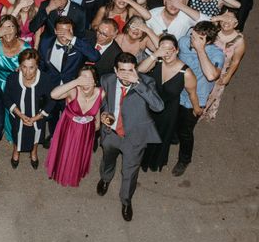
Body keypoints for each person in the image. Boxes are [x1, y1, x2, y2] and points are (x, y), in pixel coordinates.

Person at [96, 52, 164, 222]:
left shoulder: (146, 82)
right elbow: (102, 102)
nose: (126, 75)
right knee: (107, 159)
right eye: (122, 71)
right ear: (115, 70)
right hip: (111, 133)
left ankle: (126, 200)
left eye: (130, 70)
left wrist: (138, 83)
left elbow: (158, 107)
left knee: (130, 171)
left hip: (134, 138)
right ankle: (105, 179)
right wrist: (103, 114)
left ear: (136, 70)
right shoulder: (106, 79)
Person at [137, 34, 198, 172]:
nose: (166, 52)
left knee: (160, 136)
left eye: (170, 49)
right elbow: (139, 70)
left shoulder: (186, 73)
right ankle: (141, 159)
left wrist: (196, 109)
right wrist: (155, 55)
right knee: (145, 133)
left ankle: (154, 162)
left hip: (168, 111)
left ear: (177, 50)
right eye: (163, 49)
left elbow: (192, 94)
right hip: (149, 106)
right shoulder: (156, 62)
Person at [173, 21, 225, 177]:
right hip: (177, 92)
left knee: (186, 132)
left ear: (208, 41)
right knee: (173, 121)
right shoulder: (183, 41)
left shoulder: (216, 54)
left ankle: (184, 160)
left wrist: (200, 50)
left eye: (198, 37)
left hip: (195, 99)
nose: (192, 38)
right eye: (193, 34)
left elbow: (211, 75)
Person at [38, 17, 100, 143]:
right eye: (61, 31)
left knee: (71, 116)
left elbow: (95, 56)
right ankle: (55, 135)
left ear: (72, 31)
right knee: (52, 115)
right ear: (55, 31)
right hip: (52, 87)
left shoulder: (79, 43)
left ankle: (69, 138)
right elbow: (42, 64)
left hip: (72, 89)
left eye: (68, 30)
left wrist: (73, 39)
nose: (64, 34)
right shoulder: (45, 42)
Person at [47, 65, 104, 186]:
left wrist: (97, 121)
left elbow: (97, 106)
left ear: (95, 81)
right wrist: (75, 82)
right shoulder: (73, 91)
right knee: (66, 151)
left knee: (79, 152)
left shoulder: (101, 93)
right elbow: (53, 95)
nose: (85, 83)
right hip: (69, 127)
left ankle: (76, 171)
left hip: (87, 129)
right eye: (82, 79)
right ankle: (62, 171)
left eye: (89, 79)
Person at [4, 49, 50, 169]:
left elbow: (51, 101)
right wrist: (20, 114)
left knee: (36, 133)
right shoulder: (12, 78)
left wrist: (37, 117)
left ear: (37, 66)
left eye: (31, 67)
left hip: (38, 115)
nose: (27, 72)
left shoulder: (45, 79)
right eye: (24, 67)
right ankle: (16, 151)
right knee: (16, 133)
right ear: (19, 66)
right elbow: (6, 98)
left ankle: (33, 152)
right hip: (18, 115)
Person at [201, 11, 245, 120]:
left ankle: (203, 113)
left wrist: (228, 76)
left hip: (221, 71)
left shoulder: (239, 40)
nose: (226, 22)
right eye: (224, 18)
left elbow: (235, 61)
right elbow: (204, 24)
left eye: (230, 20)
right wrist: (220, 17)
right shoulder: (213, 31)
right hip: (204, 65)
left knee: (213, 94)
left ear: (236, 24)